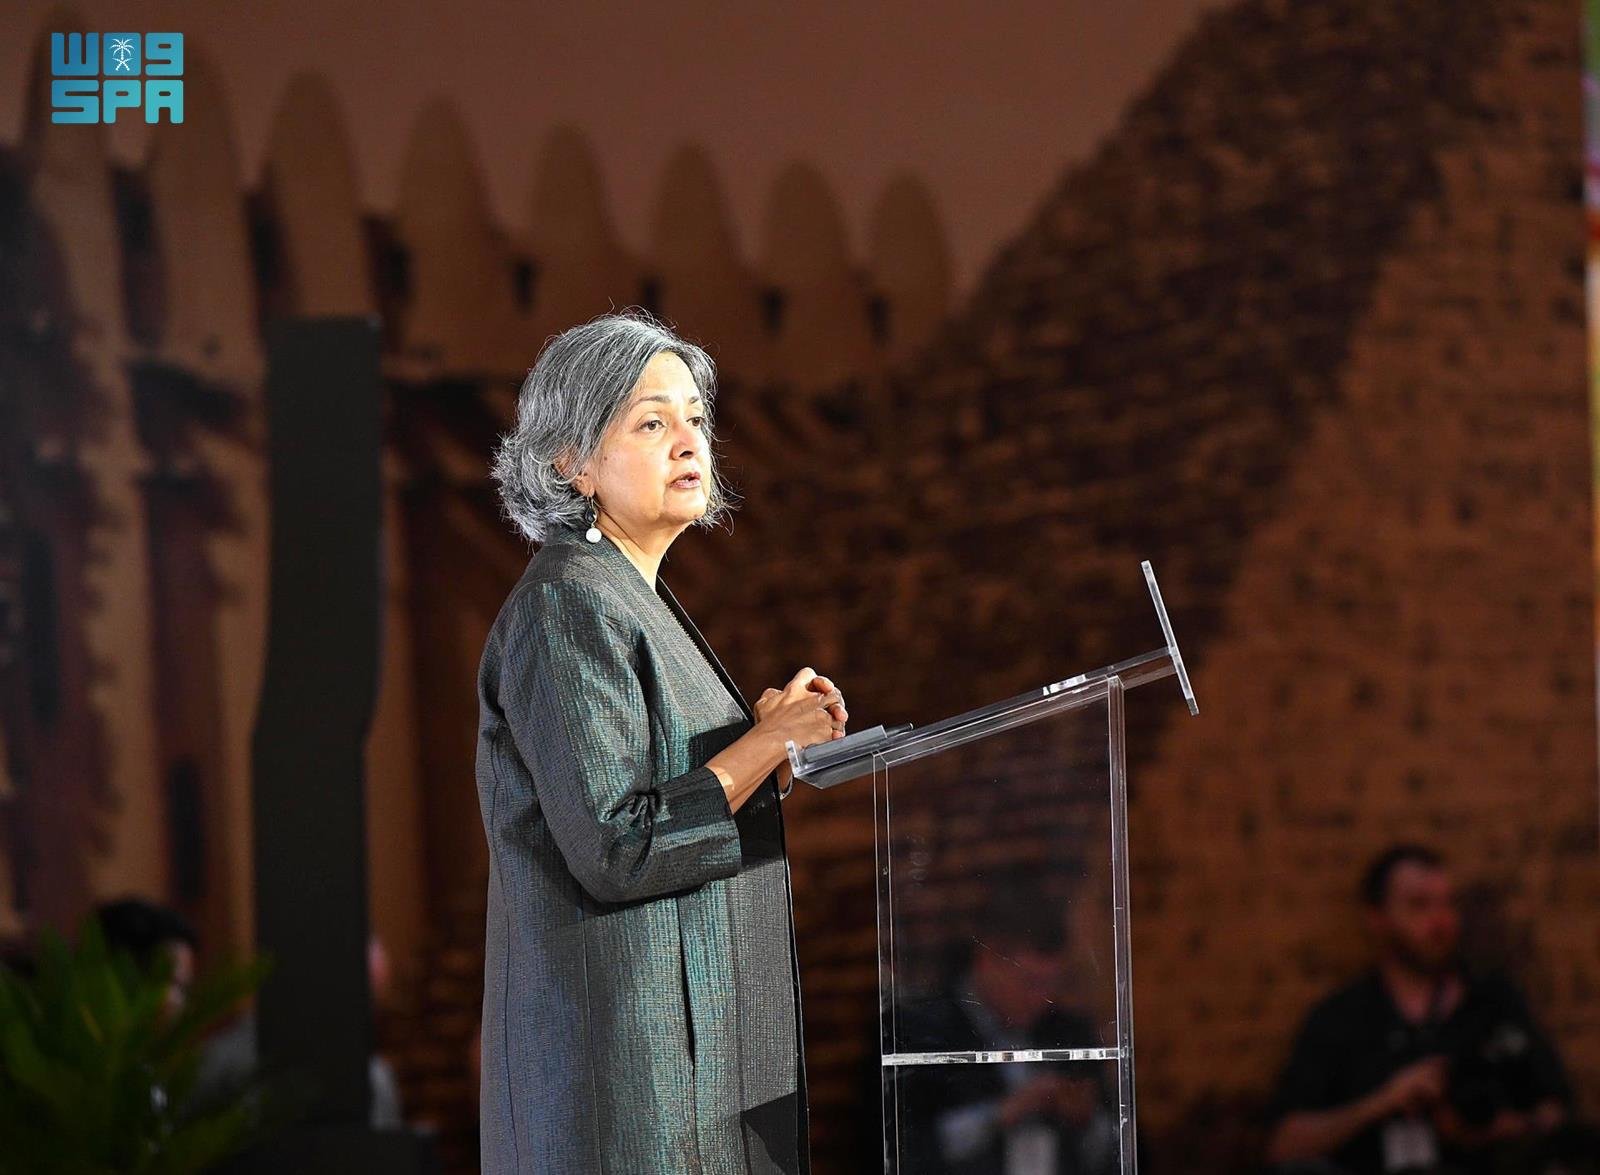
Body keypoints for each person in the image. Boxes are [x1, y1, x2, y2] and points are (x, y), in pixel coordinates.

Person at [476, 309, 848, 1174]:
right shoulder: (568, 600)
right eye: (651, 423)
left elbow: (665, 796)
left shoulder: (627, 595)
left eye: (695, 418)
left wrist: (762, 752)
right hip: (623, 1096)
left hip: (686, 1078)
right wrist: (761, 744)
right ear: (570, 462)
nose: (689, 441)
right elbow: (617, 843)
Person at [1264, 844, 1587, 1174]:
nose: (1440, 921)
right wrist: (1383, 1102)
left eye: (1447, 903)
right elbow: (1284, 1146)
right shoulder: (1343, 1017)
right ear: (1377, 919)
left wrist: (1492, 1129)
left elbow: (1557, 1113)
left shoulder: (1494, 1003)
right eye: (1419, 905)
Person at [885, 890, 1121, 1175]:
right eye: (1031, 982)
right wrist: (1004, 1112)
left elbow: (1122, 1149)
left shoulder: (1070, 1031)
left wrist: (1087, 1119)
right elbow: (896, 1148)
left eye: (1053, 984)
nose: (1042, 999)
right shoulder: (918, 1031)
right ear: (987, 959)